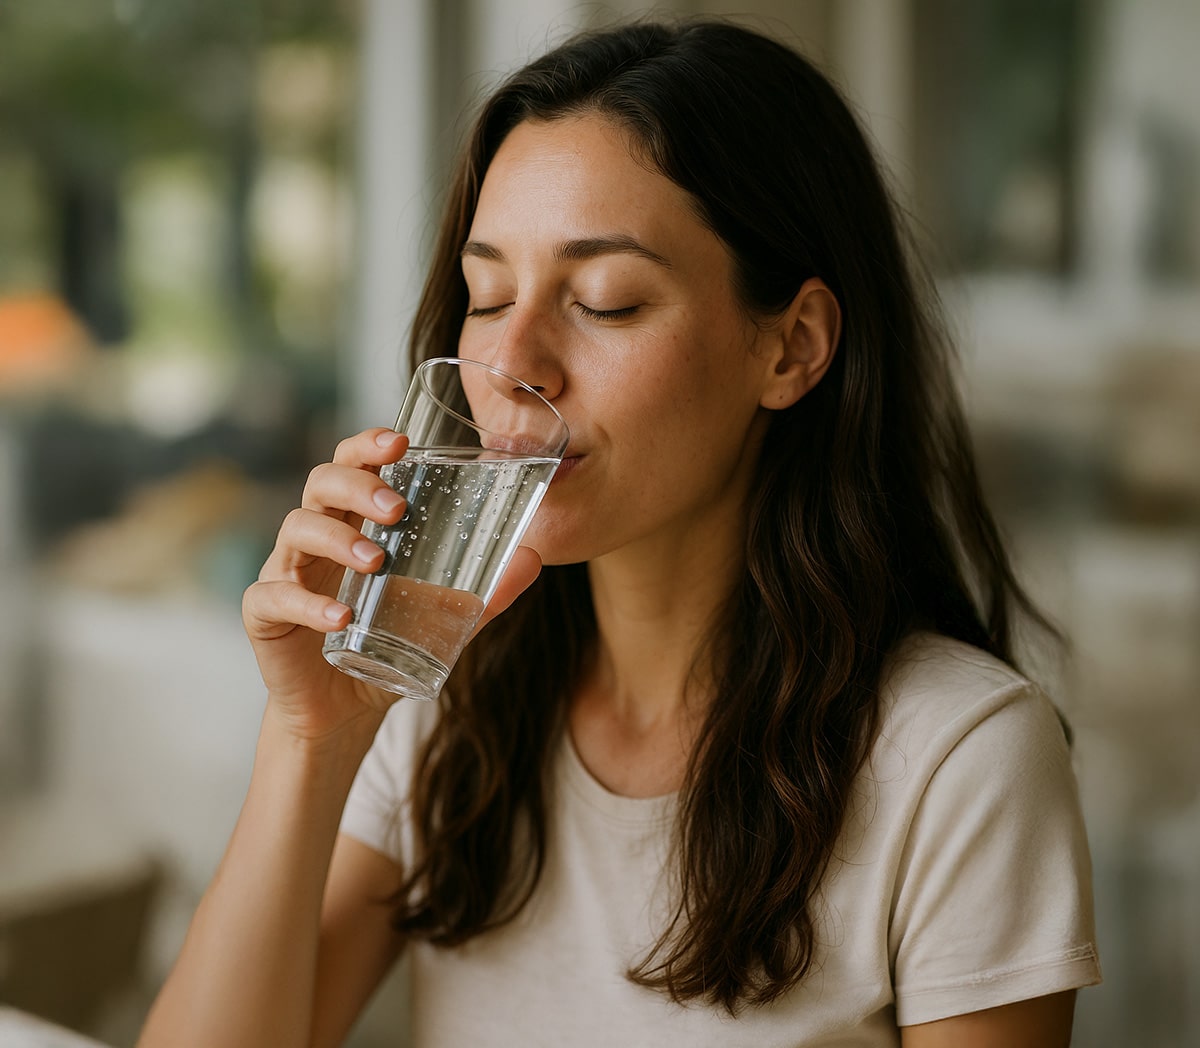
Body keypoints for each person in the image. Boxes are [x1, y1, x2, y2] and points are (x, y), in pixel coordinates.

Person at [137, 17, 1100, 1048]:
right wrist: (311, 739)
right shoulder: (443, 700)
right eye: (488, 293)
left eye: (606, 301)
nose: (516, 363)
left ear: (792, 348)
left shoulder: (959, 759)